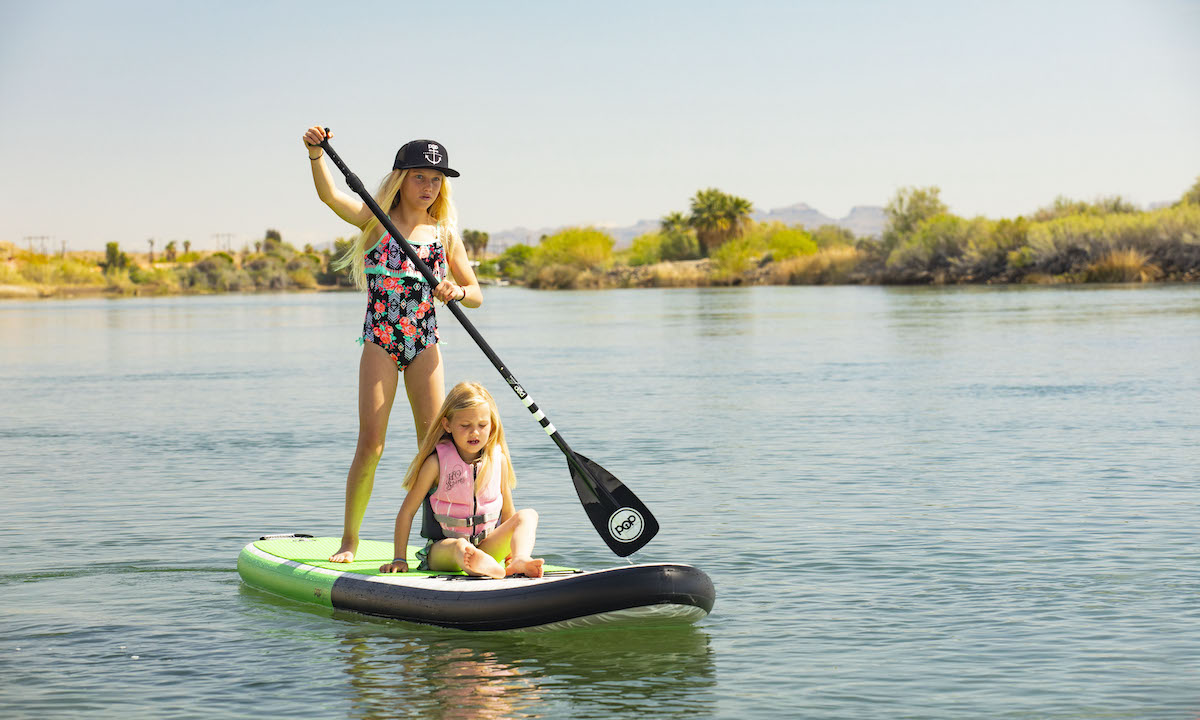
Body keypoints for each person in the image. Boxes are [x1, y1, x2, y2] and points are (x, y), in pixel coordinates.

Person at [303, 126, 482, 563]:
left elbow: (475, 292)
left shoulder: (444, 233)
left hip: (425, 342)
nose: (429, 186)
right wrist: (314, 155)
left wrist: (455, 292)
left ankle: (439, 538)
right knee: (372, 443)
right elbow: (330, 197)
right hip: (381, 339)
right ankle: (350, 540)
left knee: (436, 445)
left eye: (437, 179)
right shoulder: (375, 220)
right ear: (400, 177)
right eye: (420, 176)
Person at [379, 381, 545, 579]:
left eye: (482, 425)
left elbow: (508, 513)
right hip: (445, 550)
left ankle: (518, 559)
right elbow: (407, 512)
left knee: (528, 515)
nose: (475, 432)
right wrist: (400, 559)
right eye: (465, 426)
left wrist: (508, 554)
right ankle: (474, 563)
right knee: (461, 546)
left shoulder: (497, 459)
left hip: (486, 546)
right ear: (447, 424)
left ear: (492, 425)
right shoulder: (436, 464)